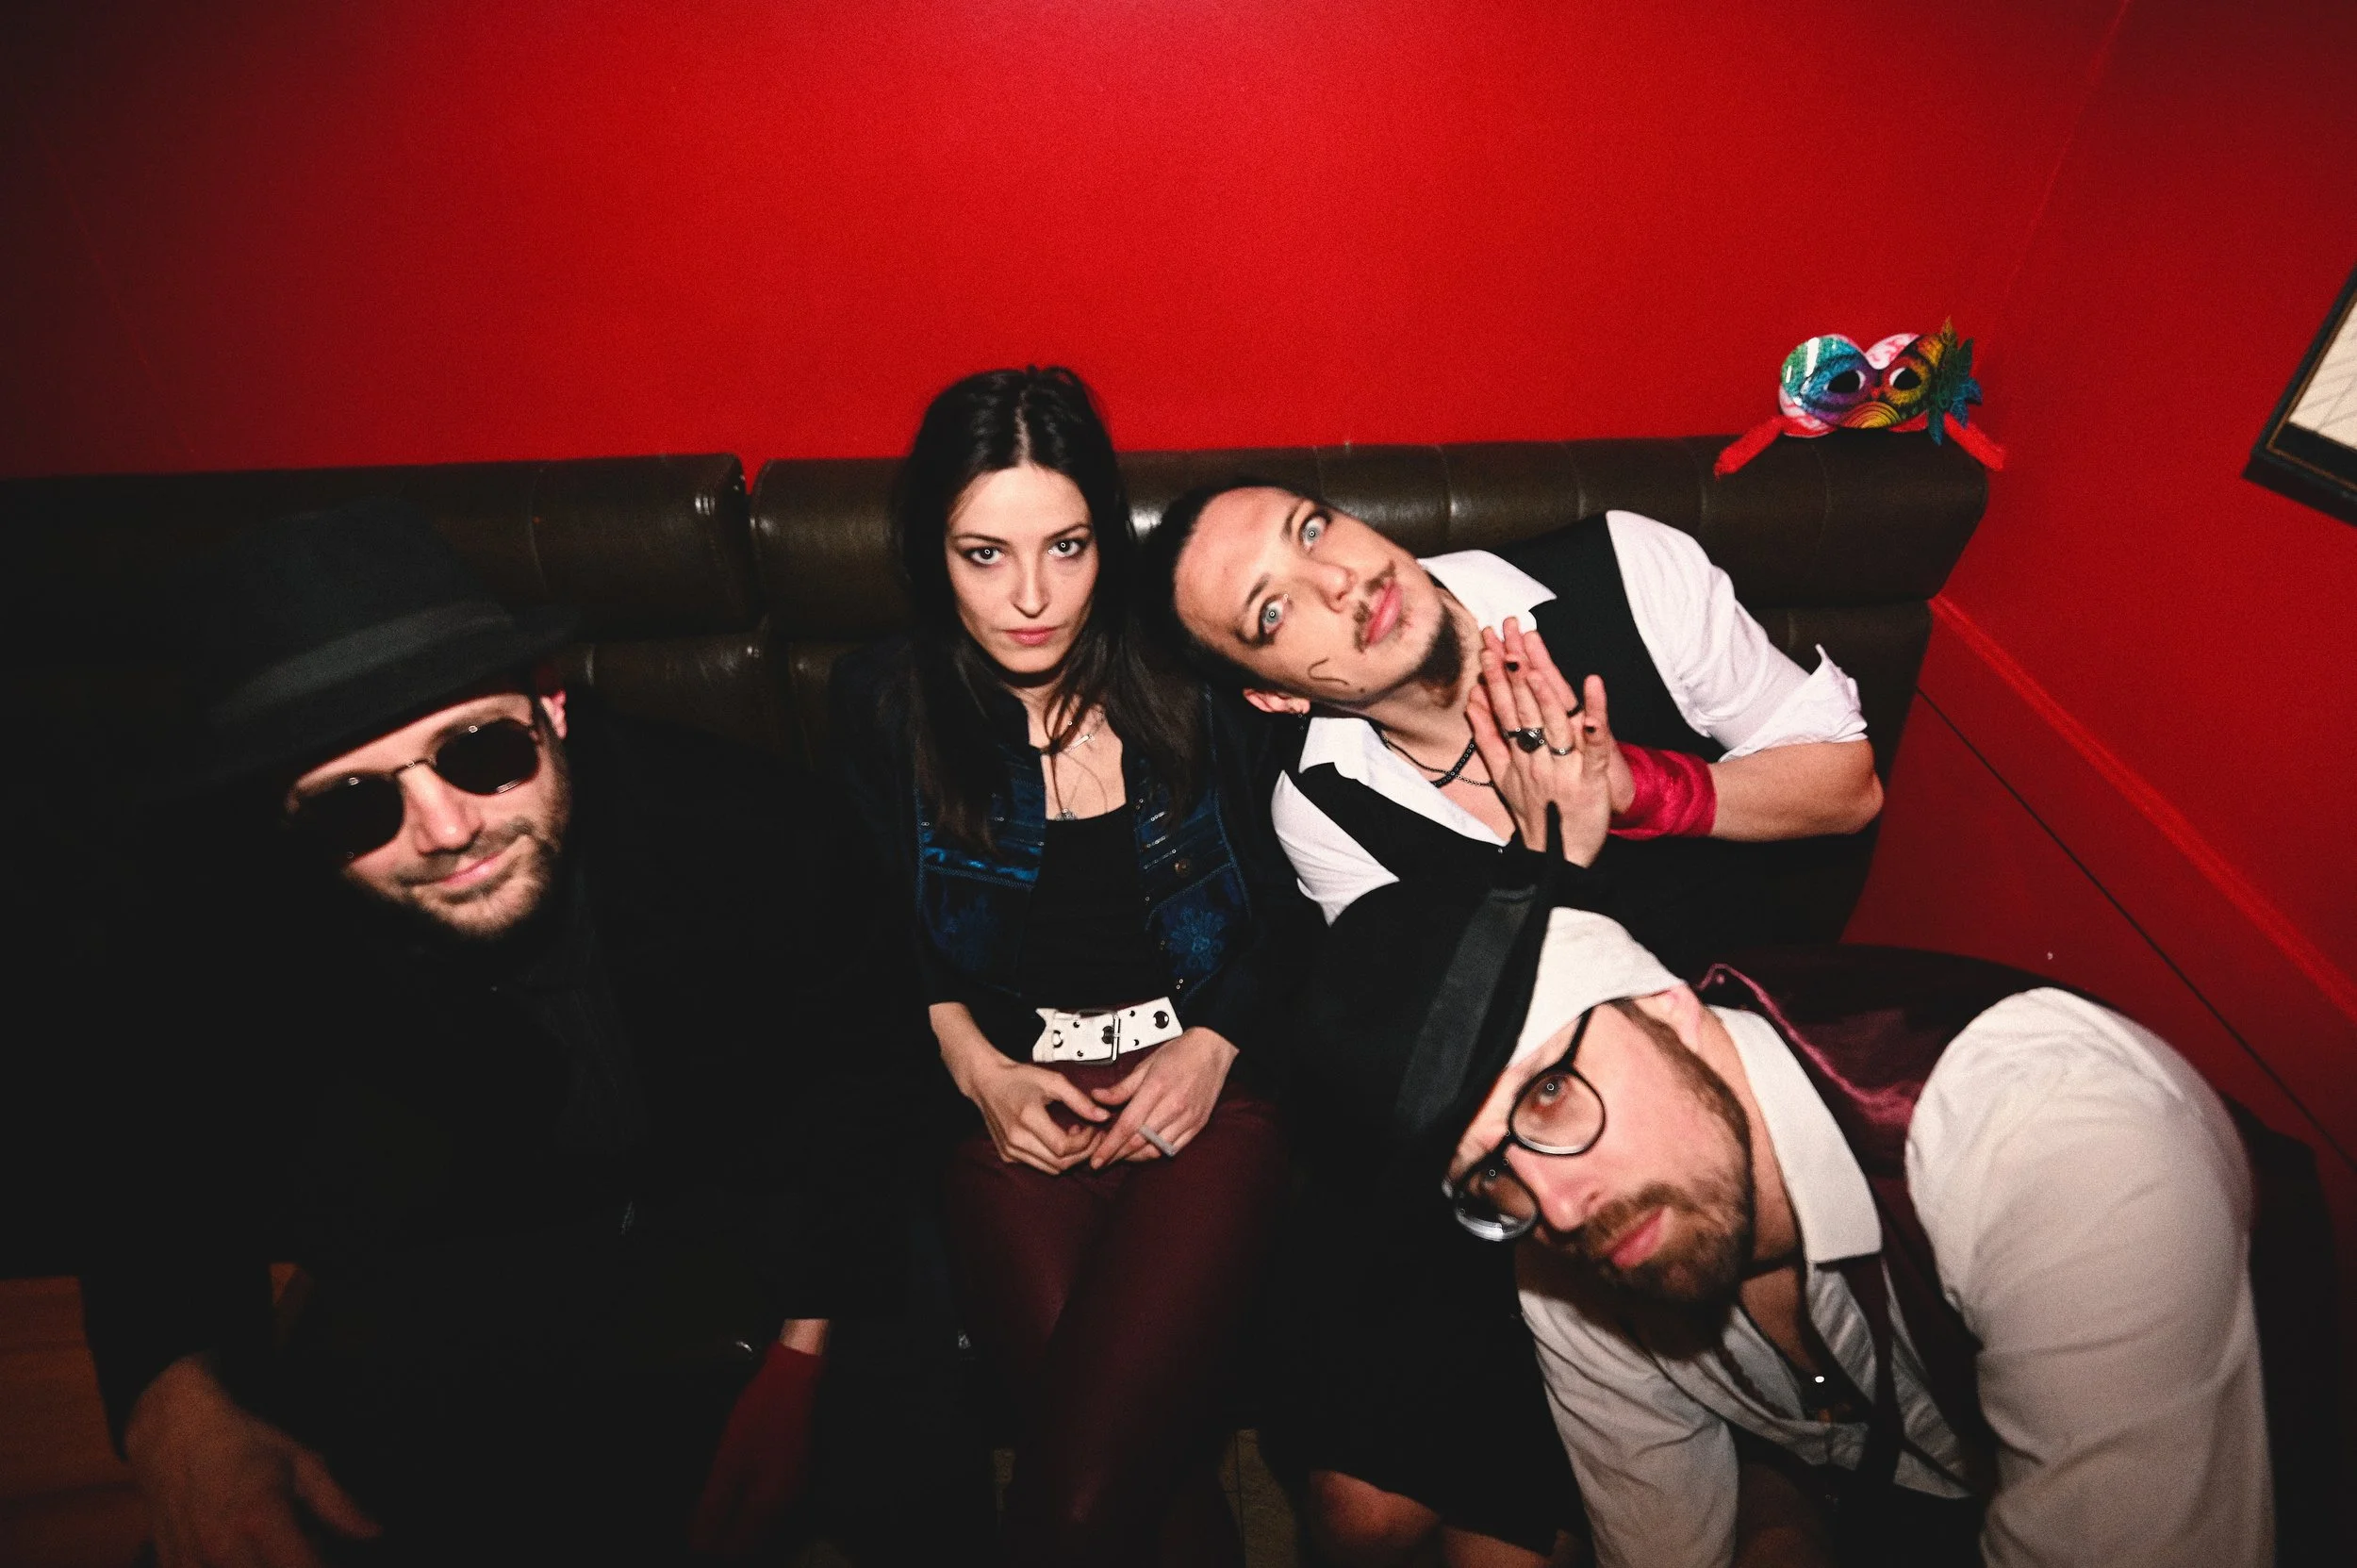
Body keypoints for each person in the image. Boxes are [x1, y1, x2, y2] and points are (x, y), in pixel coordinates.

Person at [80, 499, 994, 1567]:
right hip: (467, 1280)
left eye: (479, 750)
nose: (446, 827)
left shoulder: (753, 830)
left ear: (550, 705)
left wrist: (803, 1359)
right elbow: (152, 1148)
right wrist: (174, 1402)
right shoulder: (239, 919)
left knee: (908, 1464)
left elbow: (866, 1092)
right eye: (355, 803)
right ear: (288, 821)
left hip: (770, 1228)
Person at [1286, 652, 2293, 1567]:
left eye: (1549, 1091)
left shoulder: (2050, 1137)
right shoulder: (1569, 1251)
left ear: (1668, 1006)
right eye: (1488, 1175)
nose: (1553, 1201)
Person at [1136, 483, 1883, 1566]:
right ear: (1274, 693)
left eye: (1311, 529)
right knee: (1360, 1516)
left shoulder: (1623, 574)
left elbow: (1846, 786)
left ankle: (1775, 1469)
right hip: (1521, 1145)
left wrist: (1642, 790)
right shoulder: (1323, 805)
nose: (1338, 580)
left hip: (1733, 1090)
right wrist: (1550, 862)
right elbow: (1451, 1057)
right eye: (1272, 610)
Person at [830, 368, 1318, 1567]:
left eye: (1066, 546)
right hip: (1012, 1105)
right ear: (932, 552)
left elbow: (1297, 900)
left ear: (1108, 537)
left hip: (1204, 1095)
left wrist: (1214, 1043)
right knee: (1123, 1469)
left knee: (1086, 1491)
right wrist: (976, 1067)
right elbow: (870, 926)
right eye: (983, 555)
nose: (1031, 598)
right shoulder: (885, 699)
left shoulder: (1196, 681)